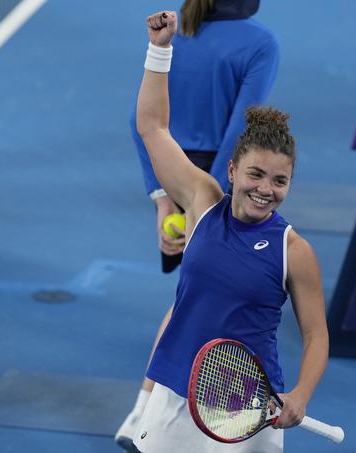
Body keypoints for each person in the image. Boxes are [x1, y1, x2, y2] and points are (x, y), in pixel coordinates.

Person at [128, 10, 328, 453]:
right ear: (233, 170)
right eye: (256, 175)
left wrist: (301, 394)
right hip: (174, 394)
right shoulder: (202, 202)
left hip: (245, 408)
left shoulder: (293, 251)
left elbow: (316, 335)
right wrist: (159, 50)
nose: (266, 190)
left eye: (280, 181)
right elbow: (152, 127)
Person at [116, 0, 279, 449]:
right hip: (217, 180)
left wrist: (162, 199)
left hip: (169, 170)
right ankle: (143, 413)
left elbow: (143, 122)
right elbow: (242, 134)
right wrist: (221, 199)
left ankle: (144, 413)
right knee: (198, 299)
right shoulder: (261, 43)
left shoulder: (176, 33)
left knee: (192, 294)